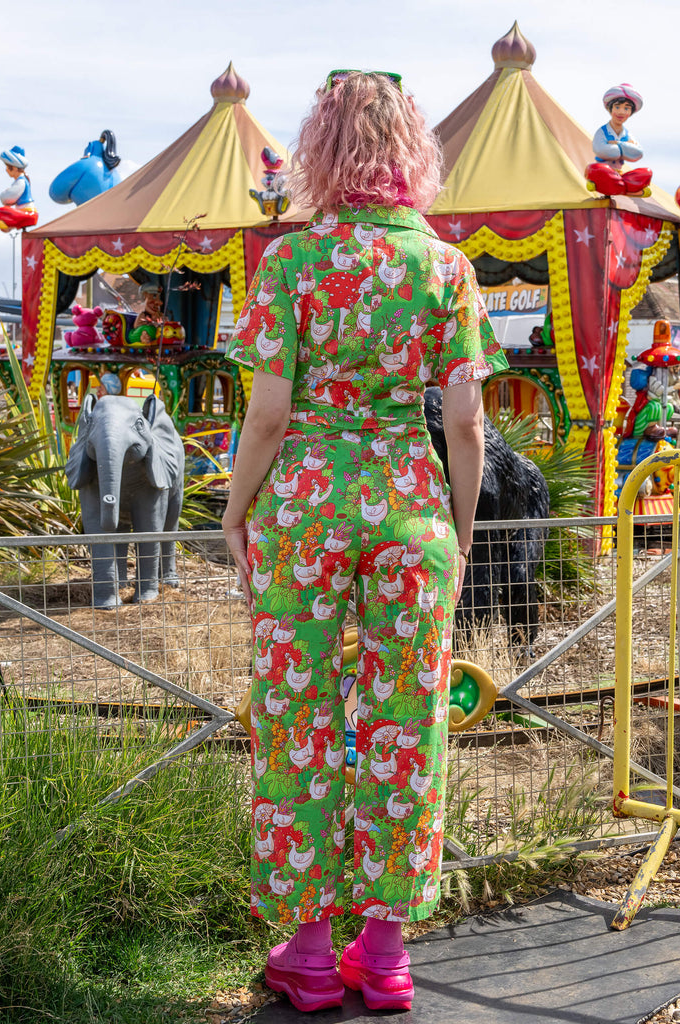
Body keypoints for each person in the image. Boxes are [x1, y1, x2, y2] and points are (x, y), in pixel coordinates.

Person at [221, 69, 507, 1014]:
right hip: (410, 508)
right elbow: (464, 424)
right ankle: (382, 958)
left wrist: (235, 508)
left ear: (321, 149)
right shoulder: (445, 267)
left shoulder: (291, 262)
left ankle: (306, 952)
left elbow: (268, 414)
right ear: (412, 153)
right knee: (406, 720)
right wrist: (457, 529)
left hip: (305, 506)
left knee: (295, 715)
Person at [585, 83, 653, 197]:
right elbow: (602, 150)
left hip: (619, 175)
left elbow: (638, 153)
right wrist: (626, 148)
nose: (621, 112)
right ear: (610, 109)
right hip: (605, 172)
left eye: (626, 108)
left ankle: (617, 187)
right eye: (617, 107)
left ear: (630, 112)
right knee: (595, 169)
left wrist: (618, 144)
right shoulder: (602, 131)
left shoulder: (627, 134)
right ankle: (627, 190)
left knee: (647, 172)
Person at [0, 146, 39, 232]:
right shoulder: (21, 181)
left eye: (8, 167)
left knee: (1, 211)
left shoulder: (21, 182)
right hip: (24, 212)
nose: (6, 170)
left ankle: (9, 224)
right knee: (4, 212)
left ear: (14, 168)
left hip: (28, 213)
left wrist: (4, 194)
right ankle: (10, 224)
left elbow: (7, 198)